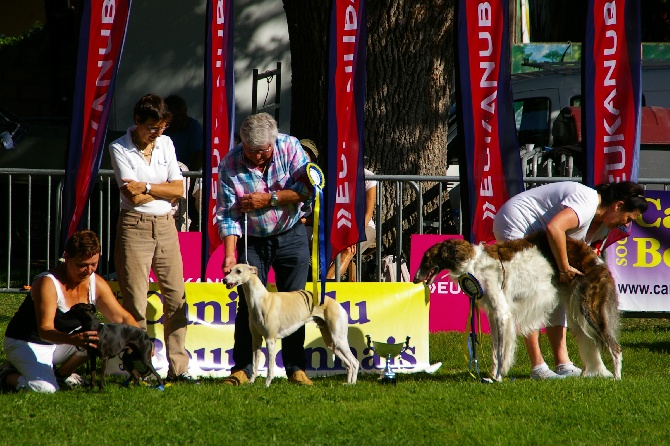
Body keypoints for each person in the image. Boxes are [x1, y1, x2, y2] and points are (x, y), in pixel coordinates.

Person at [492, 181, 648, 380]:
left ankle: (562, 362)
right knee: (531, 294)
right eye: (627, 218)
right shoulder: (587, 201)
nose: (626, 224)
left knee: (560, 292)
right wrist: (564, 268)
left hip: (543, 236)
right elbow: (554, 227)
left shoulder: (604, 226)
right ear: (617, 205)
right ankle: (538, 366)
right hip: (517, 223)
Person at [216, 112, 313, 386]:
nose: (257, 156)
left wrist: (269, 200)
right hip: (253, 240)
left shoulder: (291, 147)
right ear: (241, 143)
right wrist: (229, 254)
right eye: (251, 151)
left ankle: (295, 367)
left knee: (296, 303)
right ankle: (243, 369)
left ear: (273, 141)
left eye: (263, 151)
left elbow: (308, 190)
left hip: (291, 234)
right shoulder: (229, 164)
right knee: (249, 307)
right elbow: (226, 214)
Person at [109, 93, 197, 384]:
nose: (157, 133)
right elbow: (130, 196)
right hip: (134, 227)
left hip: (166, 225)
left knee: (176, 297)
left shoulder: (167, 143)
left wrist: (147, 185)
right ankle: (140, 370)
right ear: (137, 121)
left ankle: (179, 368)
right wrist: (160, 188)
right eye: (152, 127)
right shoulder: (119, 148)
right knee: (135, 301)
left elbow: (178, 190)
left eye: (162, 127)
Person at [0, 230, 141, 393]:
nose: (88, 271)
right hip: (27, 343)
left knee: (98, 334)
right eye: (82, 265)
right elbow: (45, 330)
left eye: (93, 264)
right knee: (45, 390)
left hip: (61, 343)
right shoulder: (48, 283)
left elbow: (122, 317)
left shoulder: (96, 283)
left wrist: (140, 339)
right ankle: (6, 375)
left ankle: (61, 374)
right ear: (66, 257)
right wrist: (72, 339)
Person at [326, 167, 377, 281]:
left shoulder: (368, 176)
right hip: (337, 226)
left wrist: (354, 234)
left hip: (363, 227)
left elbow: (368, 214)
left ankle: (325, 289)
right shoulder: (332, 173)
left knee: (348, 249)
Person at [163, 94, 203, 170]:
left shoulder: (192, 126)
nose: (185, 118)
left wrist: (191, 179)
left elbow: (198, 155)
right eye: (180, 115)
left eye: (185, 114)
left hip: (186, 172)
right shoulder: (160, 128)